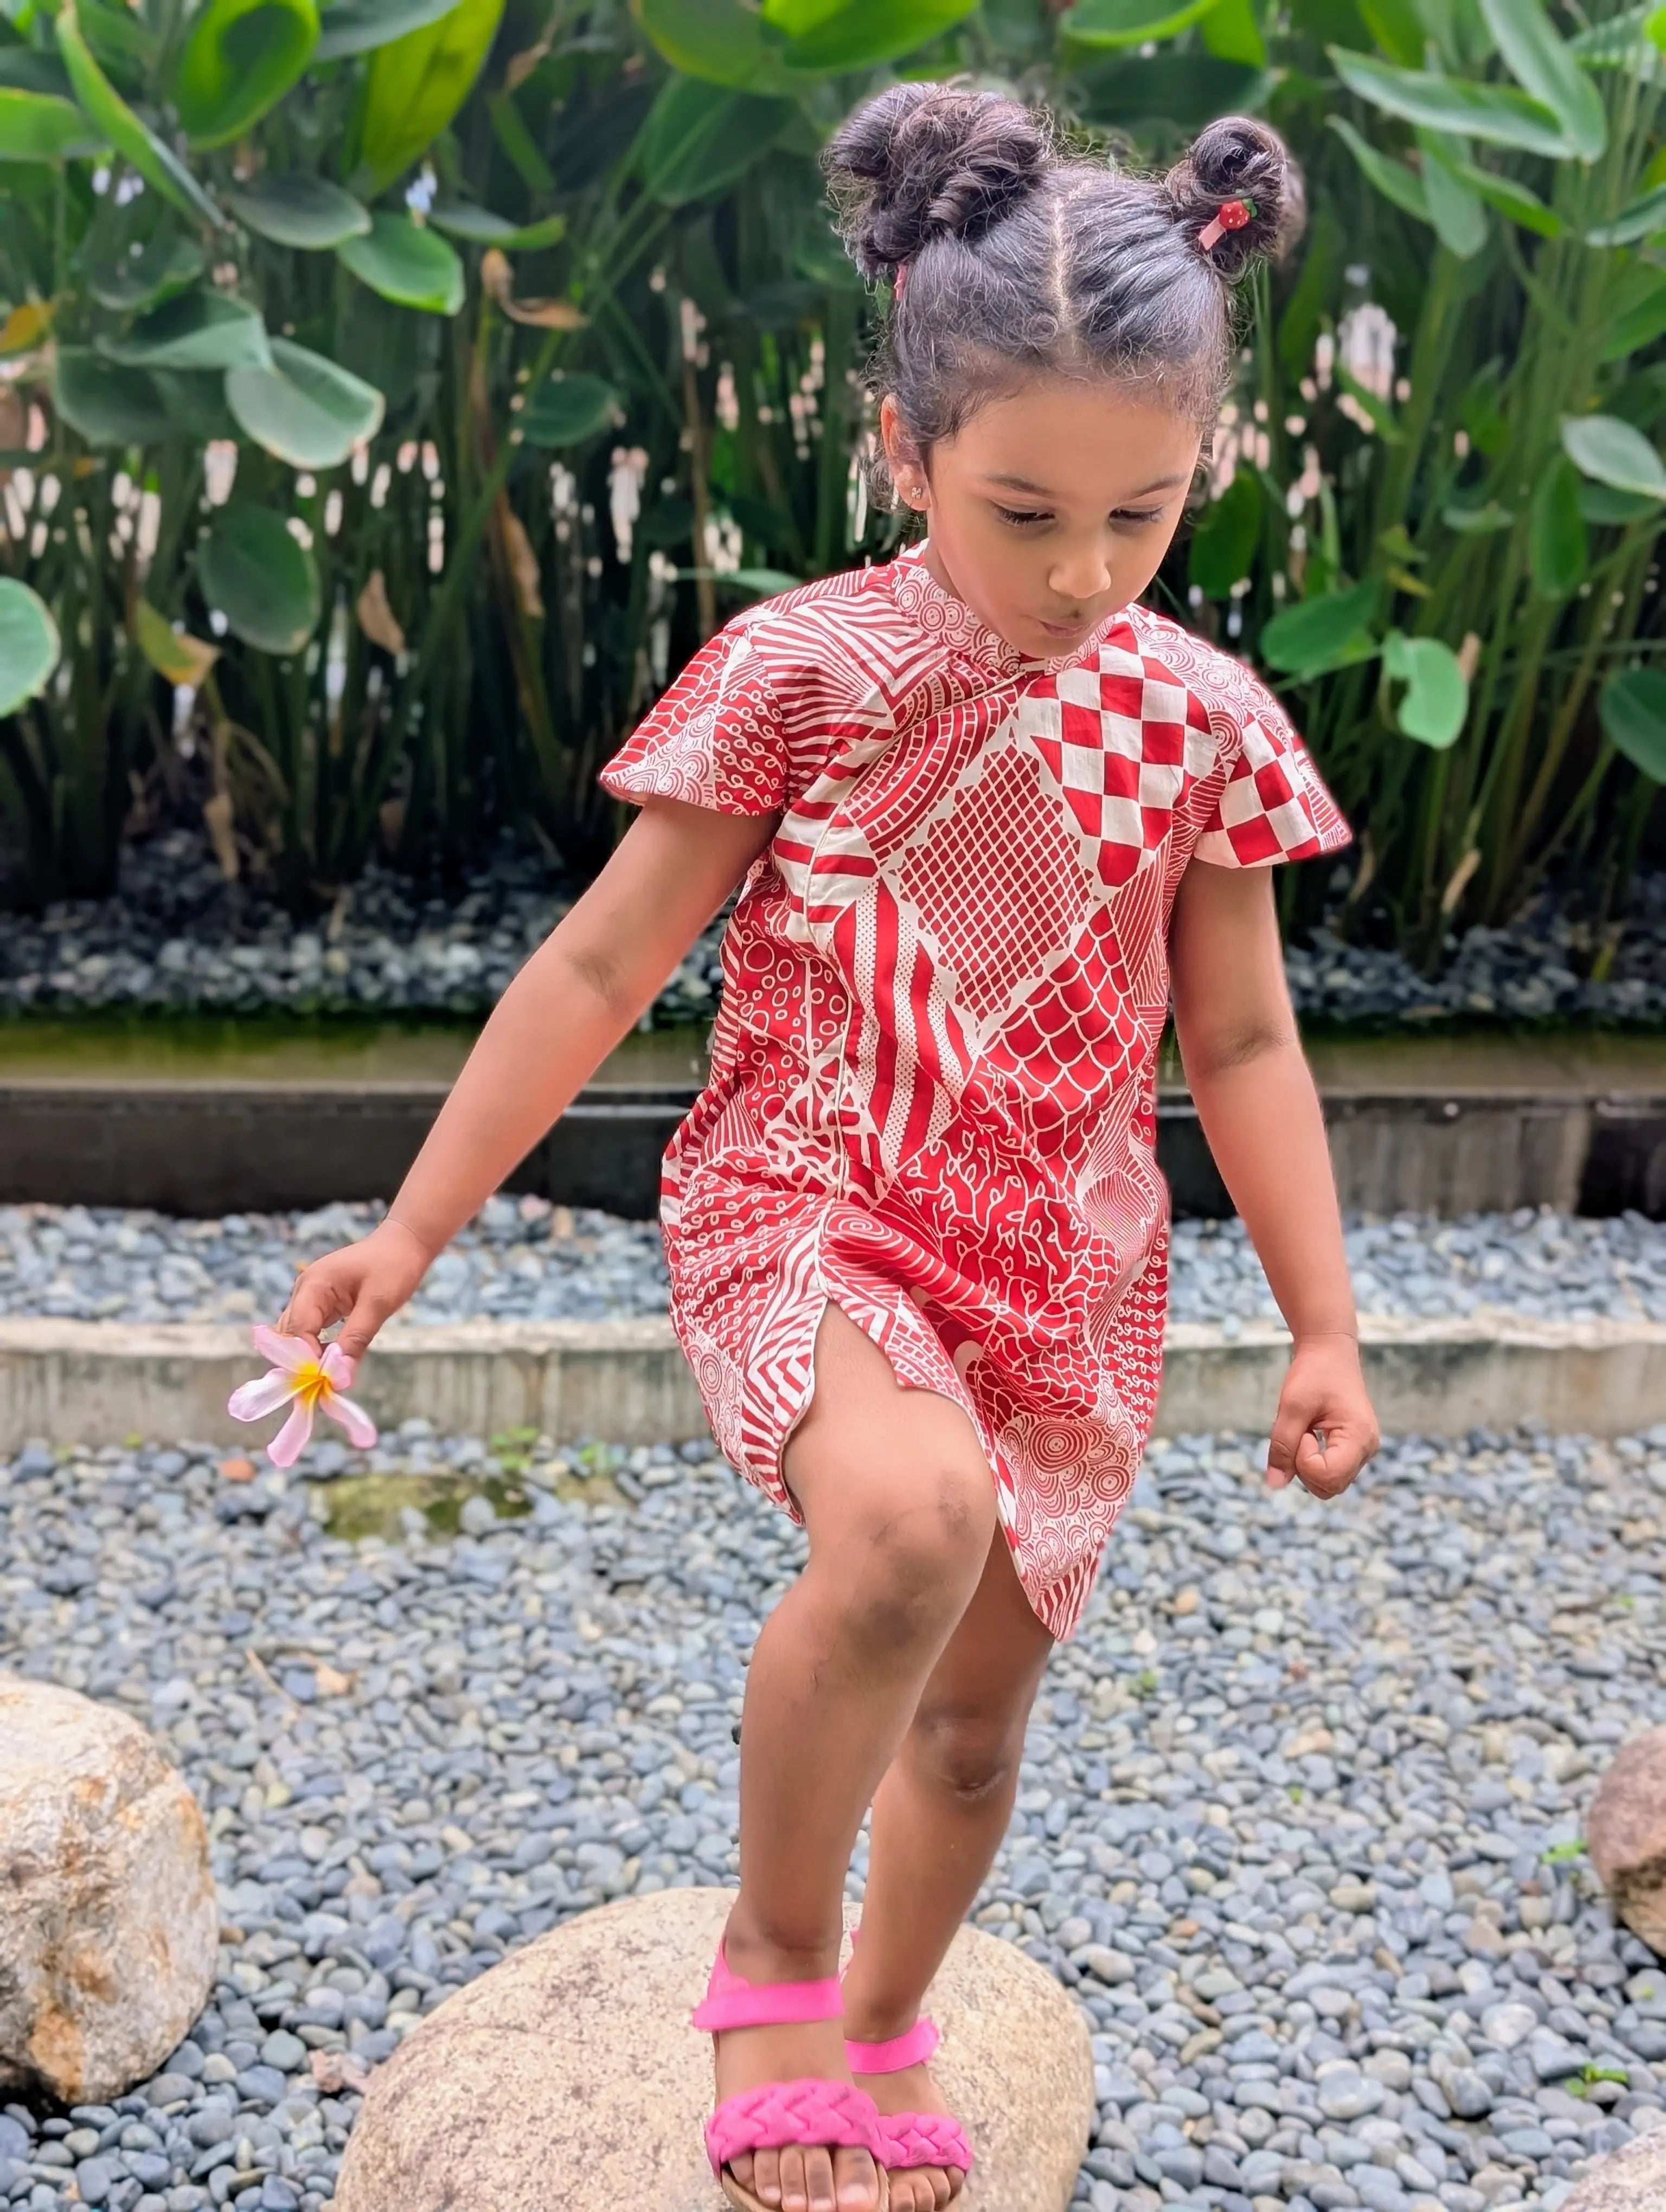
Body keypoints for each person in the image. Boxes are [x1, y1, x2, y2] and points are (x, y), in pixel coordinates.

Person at [278, 80, 1380, 2212]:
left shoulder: (1203, 723)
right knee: (905, 1522)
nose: (1081, 573)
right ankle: (773, 1957)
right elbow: (601, 966)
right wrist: (408, 1233)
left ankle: (887, 2016)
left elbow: (1242, 1034)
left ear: (1201, 470)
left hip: (1066, 1266)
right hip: (817, 1199)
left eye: (1141, 515)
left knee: (970, 1727)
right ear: (906, 450)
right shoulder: (805, 674)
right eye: (1023, 510)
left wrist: (1322, 1322)